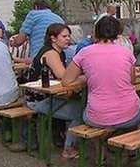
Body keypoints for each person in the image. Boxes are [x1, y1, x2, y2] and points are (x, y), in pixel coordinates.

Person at [63, 17, 140, 153]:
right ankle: (132, 150)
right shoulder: (126, 53)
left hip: (96, 116)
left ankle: (101, 157)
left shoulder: (85, 52)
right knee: (139, 105)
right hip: (129, 114)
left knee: (90, 112)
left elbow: (66, 80)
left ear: (96, 32)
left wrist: (87, 78)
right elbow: (132, 81)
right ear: (117, 33)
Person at [10, 24, 85, 156]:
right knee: (80, 111)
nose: (68, 39)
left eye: (68, 36)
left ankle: (60, 137)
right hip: (38, 100)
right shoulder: (51, 53)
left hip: (47, 96)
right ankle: (68, 148)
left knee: (78, 101)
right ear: (53, 38)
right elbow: (63, 75)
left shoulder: (58, 52)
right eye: (64, 36)